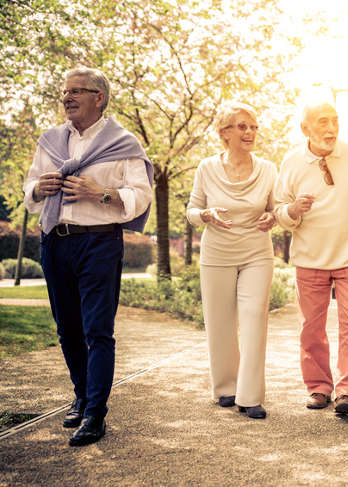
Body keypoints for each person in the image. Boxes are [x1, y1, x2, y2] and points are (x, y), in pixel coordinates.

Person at [23, 66, 153, 446]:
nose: (67, 97)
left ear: (99, 97)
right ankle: (81, 395)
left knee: (98, 330)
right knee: (67, 329)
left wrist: (102, 193)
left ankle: (96, 412)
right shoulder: (49, 141)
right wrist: (38, 188)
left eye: (77, 91)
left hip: (99, 242)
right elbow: (29, 186)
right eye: (65, 91)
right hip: (55, 242)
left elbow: (140, 196)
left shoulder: (124, 143)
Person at [274, 101, 348, 415]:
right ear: (306, 129)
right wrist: (293, 211)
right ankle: (318, 388)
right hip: (310, 258)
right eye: (322, 122)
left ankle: (347, 392)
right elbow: (278, 209)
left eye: (335, 120)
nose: (331, 128)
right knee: (311, 329)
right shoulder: (291, 163)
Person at [186, 101, 277, 420]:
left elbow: (275, 209)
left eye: (253, 126)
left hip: (256, 252)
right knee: (220, 323)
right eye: (242, 126)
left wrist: (272, 218)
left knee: (254, 319)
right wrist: (205, 215)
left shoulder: (268, 169)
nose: (250, 132)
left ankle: (250, 396)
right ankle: (225, 388)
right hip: (217, 254)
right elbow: (191, 211)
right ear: (224, 133)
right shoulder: (206, 168)